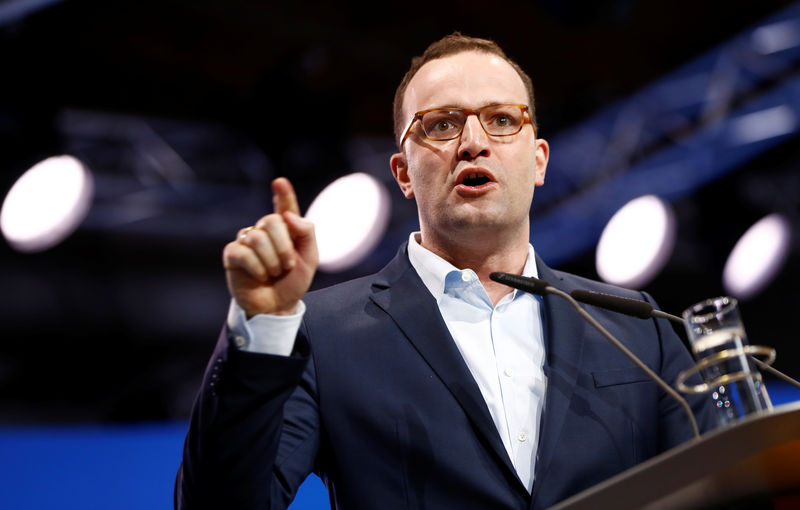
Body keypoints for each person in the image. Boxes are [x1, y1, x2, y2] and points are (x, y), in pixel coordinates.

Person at [176, 33, 713, 510]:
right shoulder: (321, 333)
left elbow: (724, 485)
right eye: (442, 124)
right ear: (404, 172)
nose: (473, 142)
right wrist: (263, 330)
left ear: (541, 160)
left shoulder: (634, 323)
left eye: (503, 120)